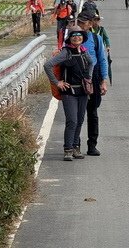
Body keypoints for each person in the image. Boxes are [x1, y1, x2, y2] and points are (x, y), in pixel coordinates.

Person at [44, 26, 94, 161]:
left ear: (83, 38)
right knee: (72, 121)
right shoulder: (66, 53)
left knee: (80, 120)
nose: (77, 37)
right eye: (74, 35)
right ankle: (68, 149)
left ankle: (76, 147)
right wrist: (57, 82)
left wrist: (88, 77)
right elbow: (47, 65)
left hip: (83, 91)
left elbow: (91, 63)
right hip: (69, 91)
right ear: (69, 38)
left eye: (79, 35)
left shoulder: (84, 51)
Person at [77, 14, 108, 156]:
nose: (80, 25)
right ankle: (75, 145)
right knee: (76, 115)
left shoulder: (96, 39)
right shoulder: (73, 38)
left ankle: (92, 145)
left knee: (92, 113)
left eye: (83, 23)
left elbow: (102, 60)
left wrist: (103, 81)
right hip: (76, 78)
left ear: (90, 24)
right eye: (78, 22)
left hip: (93, 78)